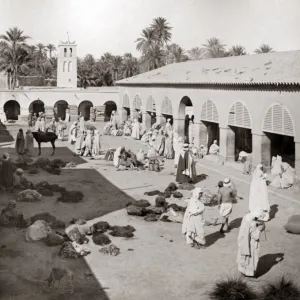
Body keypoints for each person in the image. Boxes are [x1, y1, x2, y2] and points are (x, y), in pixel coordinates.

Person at [237, 208, 266, 277]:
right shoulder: (252, 224)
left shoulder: (246, 217)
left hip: (243, 241)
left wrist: (257, 222)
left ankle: (242, 271)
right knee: (251, 258)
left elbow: (248, 227)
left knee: (243, 256)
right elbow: (255, 236)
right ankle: (249, 274)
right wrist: (261, 229)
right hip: (251, 243)